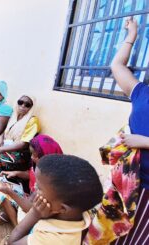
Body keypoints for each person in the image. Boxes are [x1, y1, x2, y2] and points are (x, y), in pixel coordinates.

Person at [86, 17, 149, 245]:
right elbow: (117, 66)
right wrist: (131, 36)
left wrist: (143, 141)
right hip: (125, 183)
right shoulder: (143, 92)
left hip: (146, 192)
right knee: (106, 235)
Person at [6, 154, 103, 245]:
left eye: (40, 188)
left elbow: (12, 243)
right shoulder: (74, 212)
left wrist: (34, 214)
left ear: (62, 209)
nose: (35, 187)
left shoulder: (52, 239)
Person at [0, 135, 63, 227]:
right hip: (30, 196)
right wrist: (16, 173)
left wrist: (9, 191)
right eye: (32, 154)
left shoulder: (49, 182)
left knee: (3, 192)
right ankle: (12, 215)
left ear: (47, 156)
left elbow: (29, 208)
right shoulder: (41, 164)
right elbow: (31, 173)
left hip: (35, 208)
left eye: (36, 155)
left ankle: (16, 226)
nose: (32, 157)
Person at [0, 95, 39, 176]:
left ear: (31, 107)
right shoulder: (13, 115)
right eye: (20, 102)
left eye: (27, 104)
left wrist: (0, 149)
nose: (23, 106)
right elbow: (3, 129)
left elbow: (24, 144)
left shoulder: (33, 121)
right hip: (6, 145)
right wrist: (0, 140)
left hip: (19, 153)